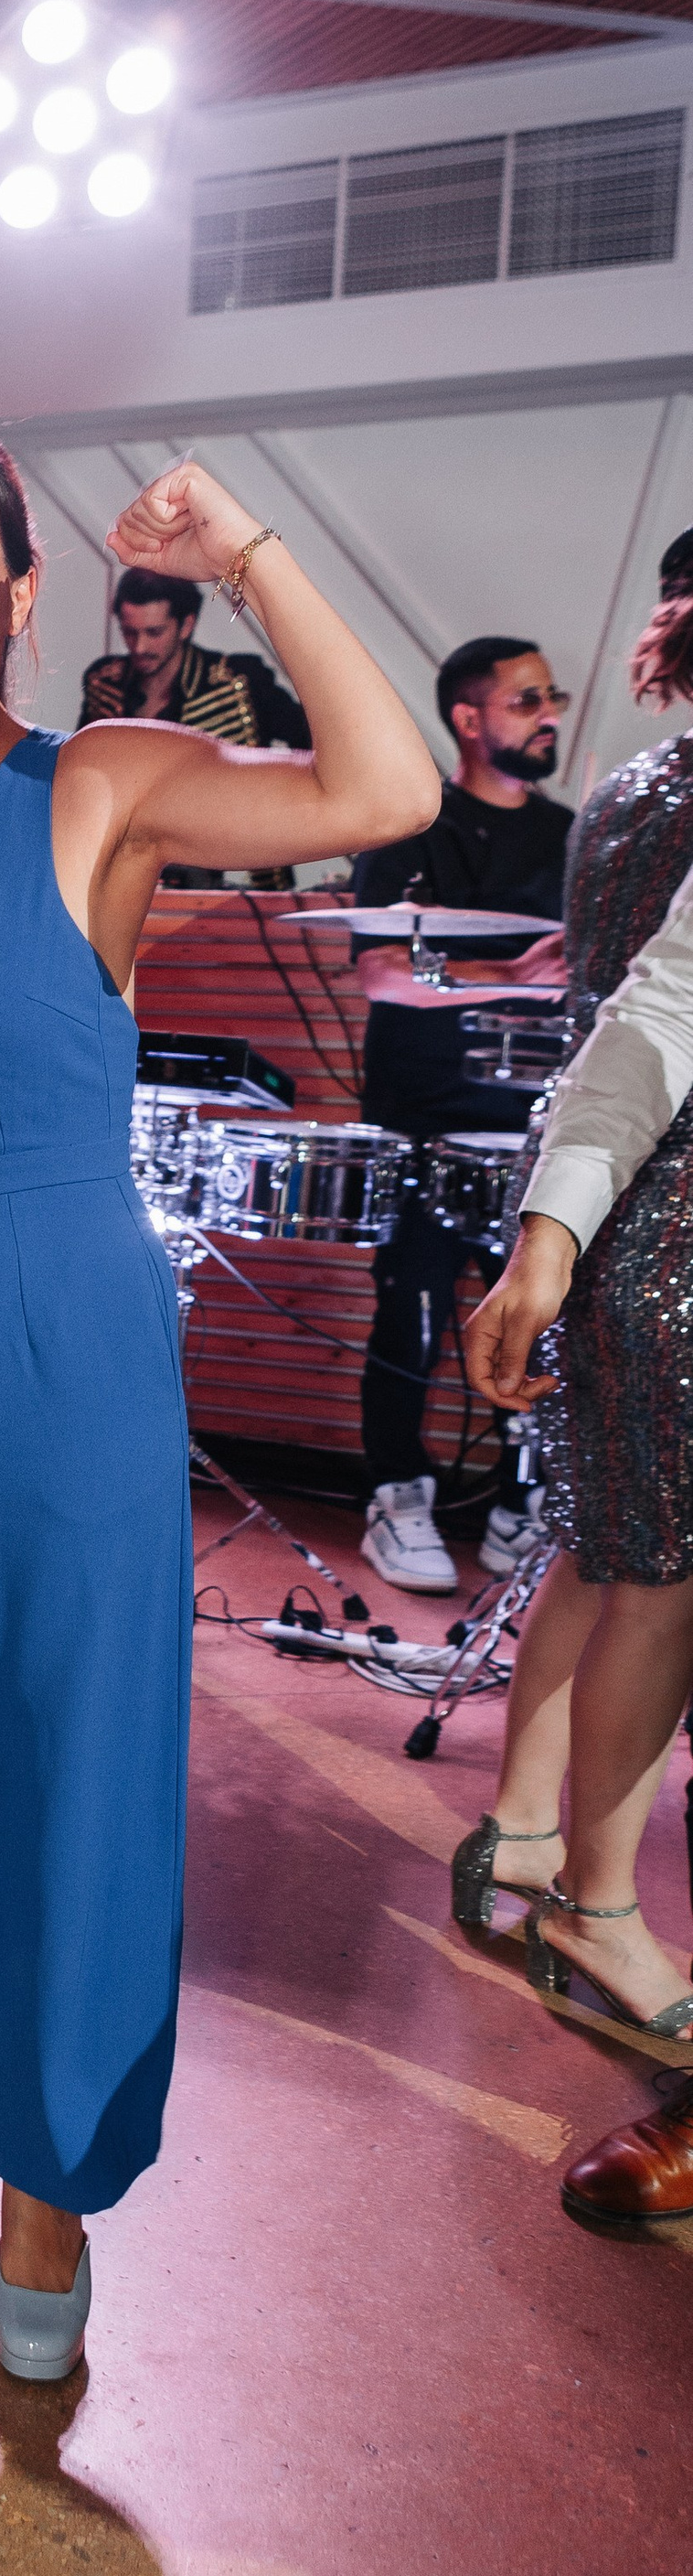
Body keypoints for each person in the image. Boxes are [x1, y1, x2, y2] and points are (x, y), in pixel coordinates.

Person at [0, 428, 435, 2381]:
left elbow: (388, 787)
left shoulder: (96, 790)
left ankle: (41, 2177)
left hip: (63, 1362)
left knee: (70, 1779)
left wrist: (246, 548)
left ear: (17, 593)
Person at [466, 528, 693, 2224]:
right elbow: (657, 1016)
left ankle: (541, 1839)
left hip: (621, 1206)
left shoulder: (620, 793)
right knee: (650, 1578)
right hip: (656, 1209)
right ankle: (588, 1888)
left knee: (610, 1554)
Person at [347, 633, 575, 1594]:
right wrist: (508, 977)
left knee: (546, 1327)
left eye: (550, 697)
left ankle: (529, 1504)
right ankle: (395, 1498)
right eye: (526, 701)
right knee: (415, 1319)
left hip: (543, 1130)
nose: (549, 713)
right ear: (468, 719)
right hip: (425, 1123)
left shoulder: (577, 832)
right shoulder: (410, 825)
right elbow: (383, 974)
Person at [77, 564, 308, 743]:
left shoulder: (241, 680)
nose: (139, 647)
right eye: (129, 632)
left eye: (154, 632)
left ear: (186, 626)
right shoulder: (104, 680)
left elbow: (311, 741)